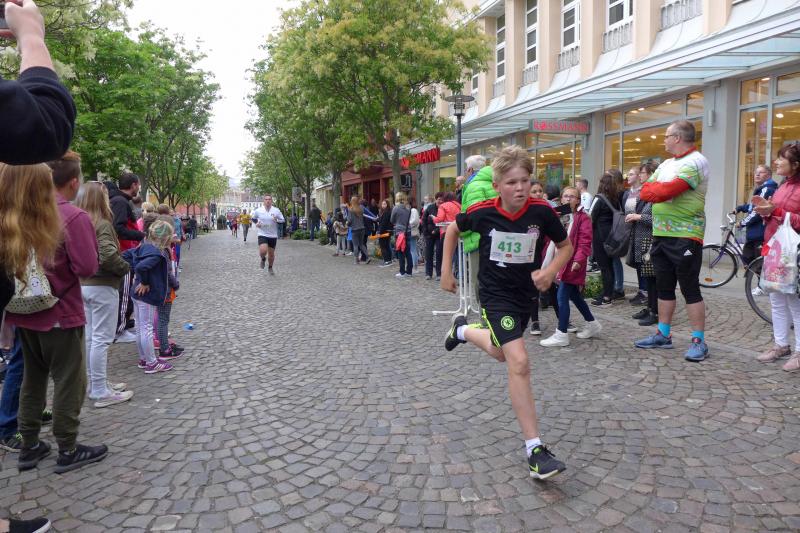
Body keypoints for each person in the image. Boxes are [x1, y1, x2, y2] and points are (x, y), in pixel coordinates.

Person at [441, 145, 573, 479]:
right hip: (495, 295)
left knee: (501, 353)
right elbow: (453, 229)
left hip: (524, 295)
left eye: (525, 180)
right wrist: (445, 271)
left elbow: (565, 246)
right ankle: (535, 451)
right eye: (512, 182)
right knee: (519, 361)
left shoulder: (542, 212)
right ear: (497, 185)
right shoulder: (482, 211)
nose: (520, 188)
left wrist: (550, 271)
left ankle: (461, 330)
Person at [4, 154, 110, 474]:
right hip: (60, 312)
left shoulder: (14, 215)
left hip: (24, 312)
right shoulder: (72, 217)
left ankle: (29, 445)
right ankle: (68, 447)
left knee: (31, 381)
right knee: (69, 381)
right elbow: (87, 267)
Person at [635, 120, 710, 362]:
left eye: (667, 136)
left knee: (689, 288)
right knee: (664, 287)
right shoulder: (667, 164)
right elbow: (645, 191)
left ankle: (698, 341)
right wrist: (656, 190)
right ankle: (663, 334)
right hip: (661, 233)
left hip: (686, 234)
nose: (664, 140)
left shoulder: (696, 161)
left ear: (677, 138)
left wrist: (658, 190)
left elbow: (667, 191)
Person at [76, 182, 133, 408]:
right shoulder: (102, 223)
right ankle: (100, 390)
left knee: (91, 338)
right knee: (101, 339)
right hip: (102, 285)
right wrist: (125, 267)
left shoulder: (80, 222)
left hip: (85, 285)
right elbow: (108, 256)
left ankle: (96, 384)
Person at [754, 142, 800, 371]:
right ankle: (781, 345)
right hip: (775, 249)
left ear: (796, 164)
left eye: (782, 158)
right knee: (776, 299)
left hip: (793, 253)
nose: (776, 162)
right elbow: (777, 214)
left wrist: (777, 211)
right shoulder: (783, 184)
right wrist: (766, 212)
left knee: (795, 302)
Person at [540, 186, 601, 347]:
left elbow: (585, 241)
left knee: (561, 297)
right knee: (575, 296)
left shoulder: (583, 218)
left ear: (578, 200)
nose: (568, 199)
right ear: (561, 199)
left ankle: (561, 334)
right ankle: (592, 324)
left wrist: (579, 260)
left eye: (572, 196)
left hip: (572, 262)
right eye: (565, 196)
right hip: (559, 260)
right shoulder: (558, 215)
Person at [122, 220, 174, 374]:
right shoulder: (156, 253)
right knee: (146, 328)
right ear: (165, 238)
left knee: (140, 327)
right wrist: (144, 281)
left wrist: (137, 277)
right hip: (146, 296)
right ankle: (152, 362)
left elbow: (127, 255)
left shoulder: (143, 246)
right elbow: (141, 266)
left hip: (136, 293)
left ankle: (144, 359)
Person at [107, 174, 145, 343]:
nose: (139, 189)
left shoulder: (120, 201)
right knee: (124, 293)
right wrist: (141, 235)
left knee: (125, 291)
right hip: (124, 253)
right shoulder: (120, 202)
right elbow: (118, 228)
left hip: (126, 252)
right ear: (134, 185)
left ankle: (125, 323)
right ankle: (119, 330)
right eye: (138, 185)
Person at [461, 160, 498, 306]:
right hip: (497, 237)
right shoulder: (495, 182)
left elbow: (473, 218)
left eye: (466, 169)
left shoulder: (474, 185)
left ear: (470, 170)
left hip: (479, 240)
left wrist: (461, 231)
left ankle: (486, 317)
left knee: (481, 282)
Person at [627, 162, 659, 327]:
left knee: (652, 279)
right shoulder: (646, 194)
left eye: (643, 173)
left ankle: (655, 311)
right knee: (647, 277)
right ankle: (649, 308)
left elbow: (658, 219)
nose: (640, 176)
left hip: (650, 242)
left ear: (652, 174)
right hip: (641, 241)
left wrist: (638, 217)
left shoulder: (657, 194)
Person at [736, 164, 777, 270]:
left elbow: (757, 211)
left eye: (761, 172)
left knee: (758, 266)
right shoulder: (760, 189)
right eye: (756, 172)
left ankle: (761, 281)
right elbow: (752, 207)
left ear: (769, 175)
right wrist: (740, 208)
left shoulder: (767, 189)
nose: (757, 175)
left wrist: (742, 223)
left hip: (760, 234)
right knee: (749, 263)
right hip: (754, 233)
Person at [589, 173, 619, 307]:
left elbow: (590, 217)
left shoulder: (599, 198)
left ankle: (606, 297)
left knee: (604, 267)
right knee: (610, 266)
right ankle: (609, 293)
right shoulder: (615, 199)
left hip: (600, 236)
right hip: (612, 236)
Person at [623, 166, 648, 305]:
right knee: (637, 262)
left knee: (643, 263)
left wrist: (636, 217)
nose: (628, 176)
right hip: (632, 231)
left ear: (639, 176)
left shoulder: (644, 192)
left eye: (631, 174)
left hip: (643, 231)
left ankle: (645, 292)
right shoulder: (627, 193)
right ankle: (642, 290)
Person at [252, 195, 285, 274]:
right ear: (264, 201)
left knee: (271, 254)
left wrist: (277, 220)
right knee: (263, 251)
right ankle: (263, 259)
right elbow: (253, 218)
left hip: (273, 235)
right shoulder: (259, 210)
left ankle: (270, 267)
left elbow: (282, 220)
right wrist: (257, 223)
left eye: (269, 199)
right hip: (262, 233)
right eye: (266, 199)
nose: (268, 201)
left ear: (271, 201)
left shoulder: (276, 210)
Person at [606, 168, 626, 300]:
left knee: (615, 258)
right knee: (613, 259)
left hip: (616, 228)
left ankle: (618, 287)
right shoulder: (613, 193)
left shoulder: (620, 194)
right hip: (613, 228)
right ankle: (616, 286)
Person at [391, 192, 414, 277]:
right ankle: (409, 271)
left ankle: (402, 271)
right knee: (408, 252)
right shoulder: (408, 208)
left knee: (400, 251)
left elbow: (392, 220)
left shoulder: (396, 208)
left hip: (399, 232)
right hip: (408, 231)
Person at [422, 192, 443, 280]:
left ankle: (439, 274)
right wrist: (425, 232)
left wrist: (436, 230)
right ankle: (428, 273)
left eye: (442, 200)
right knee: (429, 254)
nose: (440, 201)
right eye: (439, 199)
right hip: (429, 234)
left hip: (439, 234)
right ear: (435, 199)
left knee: (439, 253)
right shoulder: (430, 207)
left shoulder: (443, 208)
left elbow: (443, 221)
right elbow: (424, 219)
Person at [347, 196, 371, 265]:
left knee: (355, 245)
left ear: (352, 201)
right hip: (362, 228)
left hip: (354, 229)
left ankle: (356, 260)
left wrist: (347, 224)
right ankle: (367, 257)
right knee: (361, 244)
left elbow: (349, 221)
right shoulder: (361, 208)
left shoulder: (351, 210)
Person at [377, 199, 394, 266]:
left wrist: (379, 232)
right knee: (386, 245)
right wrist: (378, 219)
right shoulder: (386, 212)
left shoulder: (387, 212)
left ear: (387, 205)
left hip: (384, 231)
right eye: (382, 204)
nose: (383, 205)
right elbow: (382, 221)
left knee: (383, 246)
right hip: (387, 231)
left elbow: (384, 223)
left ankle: (387, 260)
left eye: (384, 204)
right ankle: (389, 260)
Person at [408, 197, 421, 268]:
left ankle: (414, 265)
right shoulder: (412, 210)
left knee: (413, 249)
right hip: (412, 230)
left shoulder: (413, 210)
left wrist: (408, 224)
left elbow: (415, 221)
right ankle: (414, 265)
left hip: (412, 231)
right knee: (413, 249)